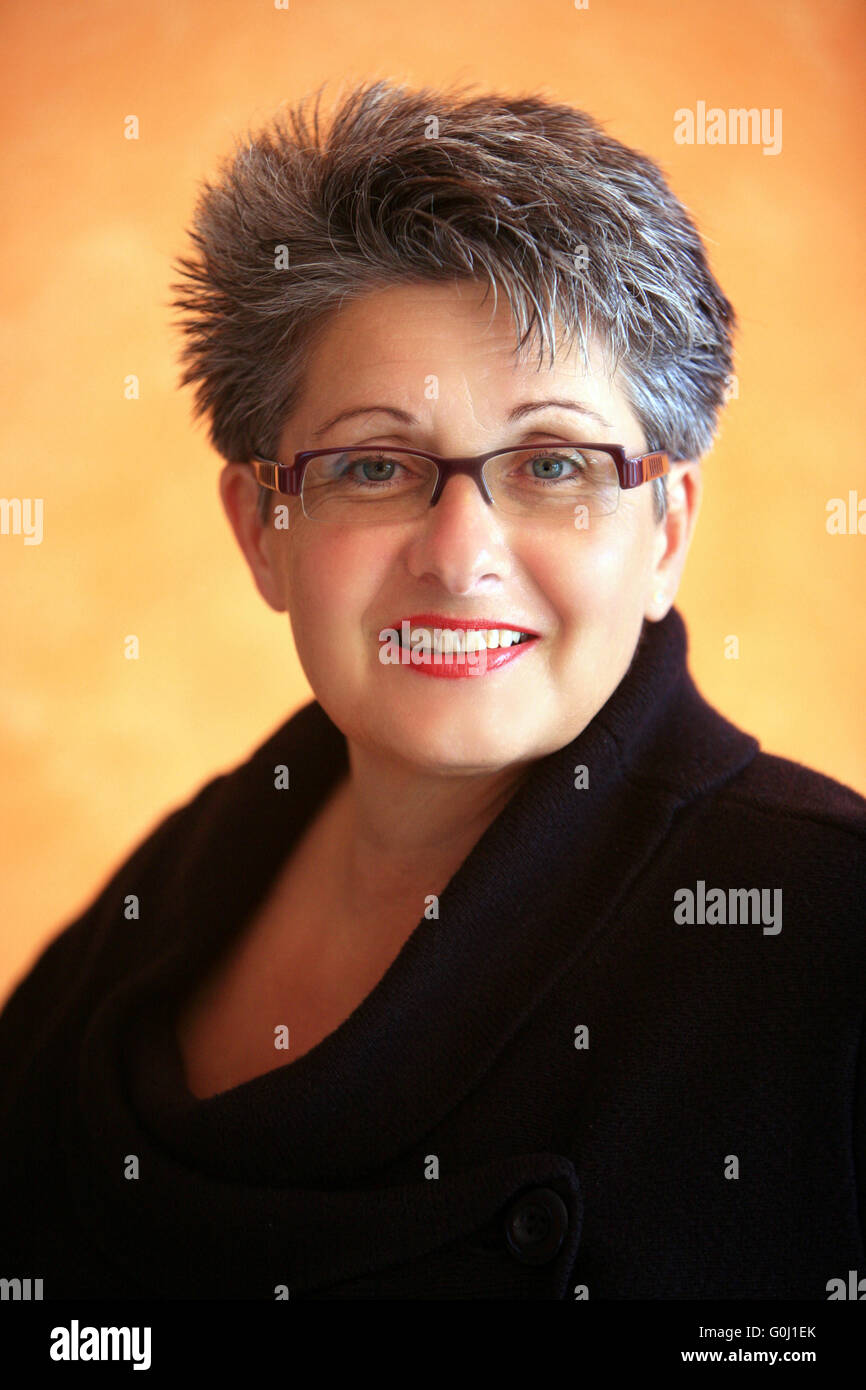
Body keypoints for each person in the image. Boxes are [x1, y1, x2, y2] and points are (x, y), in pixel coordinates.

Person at [1, 78, 864, 1302]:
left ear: (663, 532)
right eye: (371, 464)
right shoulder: (175, 877)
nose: (458, 555)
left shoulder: (830, 932)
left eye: (553, 461)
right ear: (263, 529)